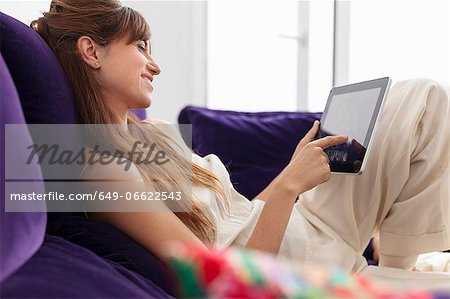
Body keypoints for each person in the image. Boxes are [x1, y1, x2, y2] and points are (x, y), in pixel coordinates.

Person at [31, 0, 450, 276]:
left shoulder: (152, 133)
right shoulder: (101, 169)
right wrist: (289, 185)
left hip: (301, 222)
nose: (154, 65)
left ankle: (395, 266)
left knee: (421, 98)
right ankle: (395, 276)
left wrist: (293, 172)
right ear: (91, 51)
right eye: (140, 46)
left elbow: (241, 216)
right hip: (289, 258)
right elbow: (223, 278)